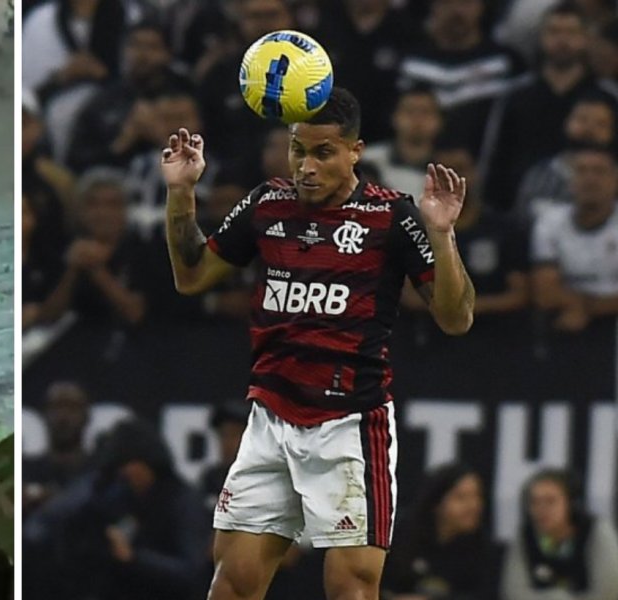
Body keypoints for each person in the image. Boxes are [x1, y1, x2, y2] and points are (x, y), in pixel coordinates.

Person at [161, 88, 475, 599]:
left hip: (349, 424)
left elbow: (456, 318)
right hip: (271, 418)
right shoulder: (267, 203)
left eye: (323, 152)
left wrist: (442, 235)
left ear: (355, 151)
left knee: (351, 587)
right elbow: (192, 277)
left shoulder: (392, 215)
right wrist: (180, 192)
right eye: (297, 150)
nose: (306, 167)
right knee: (232, 584)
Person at [382, 464, 499, 598]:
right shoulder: (403, 539)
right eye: (461, 497)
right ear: (436, 502)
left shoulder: (484, 551)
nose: (473, 506)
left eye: (477, 496)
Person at [501, 469, 618, 599]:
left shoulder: (597, 532)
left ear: (570, 504)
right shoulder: (526, 536)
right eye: (534, 502)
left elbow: (610, 592)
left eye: (550, 501)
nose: (541, 509)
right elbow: (514, 592)